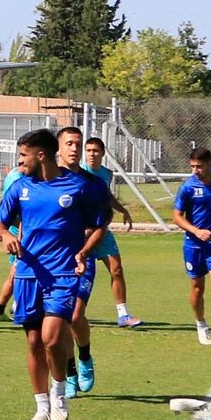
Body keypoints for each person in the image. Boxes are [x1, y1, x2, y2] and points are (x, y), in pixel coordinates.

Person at [0, 128, 105, 420]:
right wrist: (5, 236)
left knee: (52, 339)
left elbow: (99, 226)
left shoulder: (78, 186)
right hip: (28, 273)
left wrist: (84, 252)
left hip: (63, 274)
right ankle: (42, 407)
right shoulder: (19, 187)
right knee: (33, 343)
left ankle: (59, 396)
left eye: (23, 155)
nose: (20, 161)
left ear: (41, 155)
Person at [57, 127, 111, 398]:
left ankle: (85, 356)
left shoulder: (93, 184)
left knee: (75, 315)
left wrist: (87, 245)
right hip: (54, 260)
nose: (74, 148)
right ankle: (69, 373)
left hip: (82, 258)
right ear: (58, 148)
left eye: (78, 144)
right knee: (60, 319)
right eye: (69, 143)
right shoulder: (46, 181)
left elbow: (103, 222)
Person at [173, 147, 211, 348]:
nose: (196, 170)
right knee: (197, 287)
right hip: (194, 244)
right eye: (193, 166)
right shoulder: (188, 187)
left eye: (199, 166)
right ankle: (201, 324)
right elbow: (177, 216)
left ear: (210, 164)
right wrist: (196, 231)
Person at [81, 136, 142, 327]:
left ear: (103, 153)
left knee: (116, 269)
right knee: (81, 274)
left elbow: (107, 197)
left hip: (102, 231)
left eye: (95, 151)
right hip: (83, 233)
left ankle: (123, 315)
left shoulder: (107, 174)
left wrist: (123, 210)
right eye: (88, 150)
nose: (92, 154)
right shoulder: (78, 172)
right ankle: (75, 314)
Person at [0, 168, 22, 322]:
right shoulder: (17, 179)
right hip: (18, 233)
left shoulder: (15, 174)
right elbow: (10, 214)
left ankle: (1, 309)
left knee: (16, 272)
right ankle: (15, 305)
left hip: (20, 232)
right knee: (18, 271)